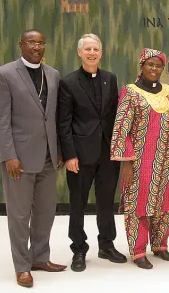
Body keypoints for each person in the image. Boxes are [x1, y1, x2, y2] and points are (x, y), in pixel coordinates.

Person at [0, 29, 66, 288]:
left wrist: (59, 150)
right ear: (21, 44)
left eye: (41, 42)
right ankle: (22, 266)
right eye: (32, 42)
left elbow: (53, 117)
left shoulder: (53, 74)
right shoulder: (5, 74)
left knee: (45, 212)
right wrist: (9, 155)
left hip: (48, 157)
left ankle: (40, 257)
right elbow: (0, 120)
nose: (37, 46)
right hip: (19, 159)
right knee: (20, 215)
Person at [110, 48, 169, 269]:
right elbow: (121, 127)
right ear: (141, 66)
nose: (154, 69)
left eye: (158, 65)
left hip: (167, 160)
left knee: (165, 203)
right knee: (138, 205)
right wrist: (125, 161)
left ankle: (160, 245)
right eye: (150, 64)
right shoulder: (130, 92)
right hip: (139, 161)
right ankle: (138, 250)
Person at [58, 33, 127, 272]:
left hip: (108, 153)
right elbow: (63, 122)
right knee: (77, 203)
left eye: (95, 49)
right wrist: (69, 155)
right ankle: (78, 249)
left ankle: (106, 245)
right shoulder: (68, 82)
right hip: (80, 154)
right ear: (79, 52)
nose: (92, 53)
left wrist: (119, 148)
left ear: (101, 52)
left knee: (106, 202)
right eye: (87, 49)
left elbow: (114, 116)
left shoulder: (111, 78)